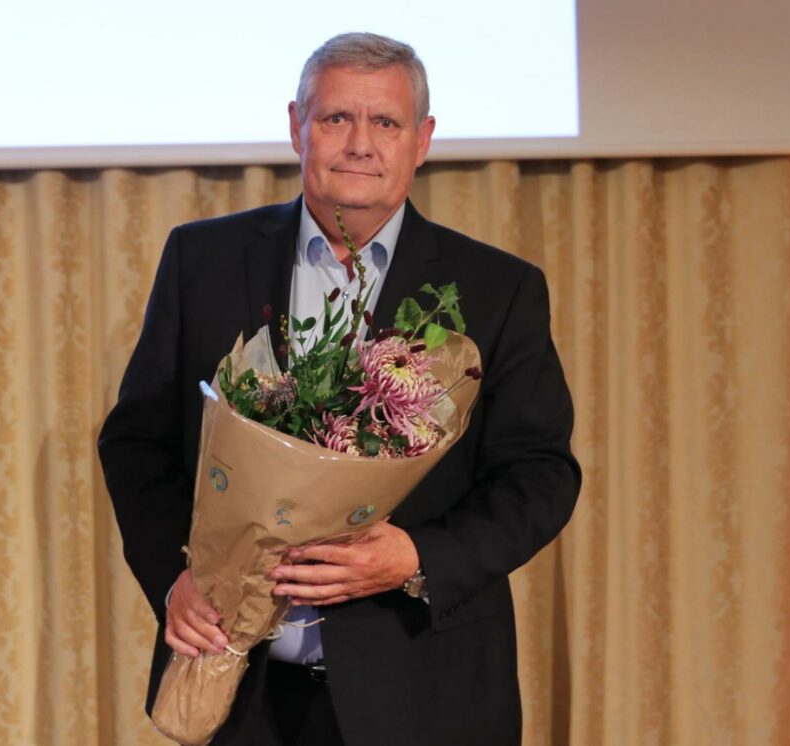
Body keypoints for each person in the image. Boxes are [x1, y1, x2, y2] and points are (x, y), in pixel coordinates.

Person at [97, 32, 580, 746]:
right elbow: (137, 440)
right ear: (296, 125)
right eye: (335, 119)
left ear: (422, 140)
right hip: (241, 692)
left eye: (384, 122)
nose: (360, 143)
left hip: (427, 692)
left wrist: (417, 557)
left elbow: (541, 475)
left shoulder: (497, 290)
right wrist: (180, 580)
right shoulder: (203, 260)